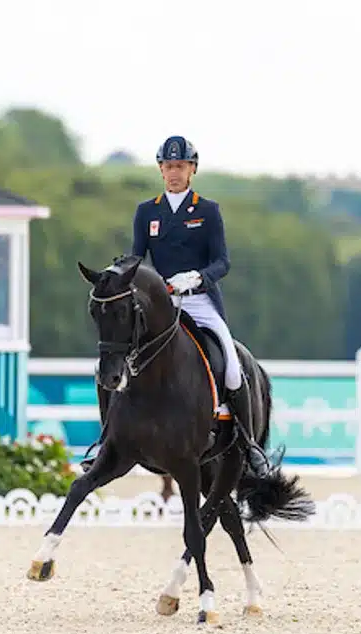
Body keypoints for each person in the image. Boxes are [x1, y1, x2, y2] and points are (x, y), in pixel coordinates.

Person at [87, 135, 271, 478]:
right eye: (169, 166)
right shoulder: (147, 211)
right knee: (111, 362)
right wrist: (116, 273)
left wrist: (197, 278)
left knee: (231, 365)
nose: (175, 172)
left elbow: (222, 262)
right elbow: (137, 258)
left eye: (181, 166)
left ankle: (249, 445)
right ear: (161, 170)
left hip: (199, 301)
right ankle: (105, 440)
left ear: (192, 170)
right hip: (160, 304)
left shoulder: (207, 210)